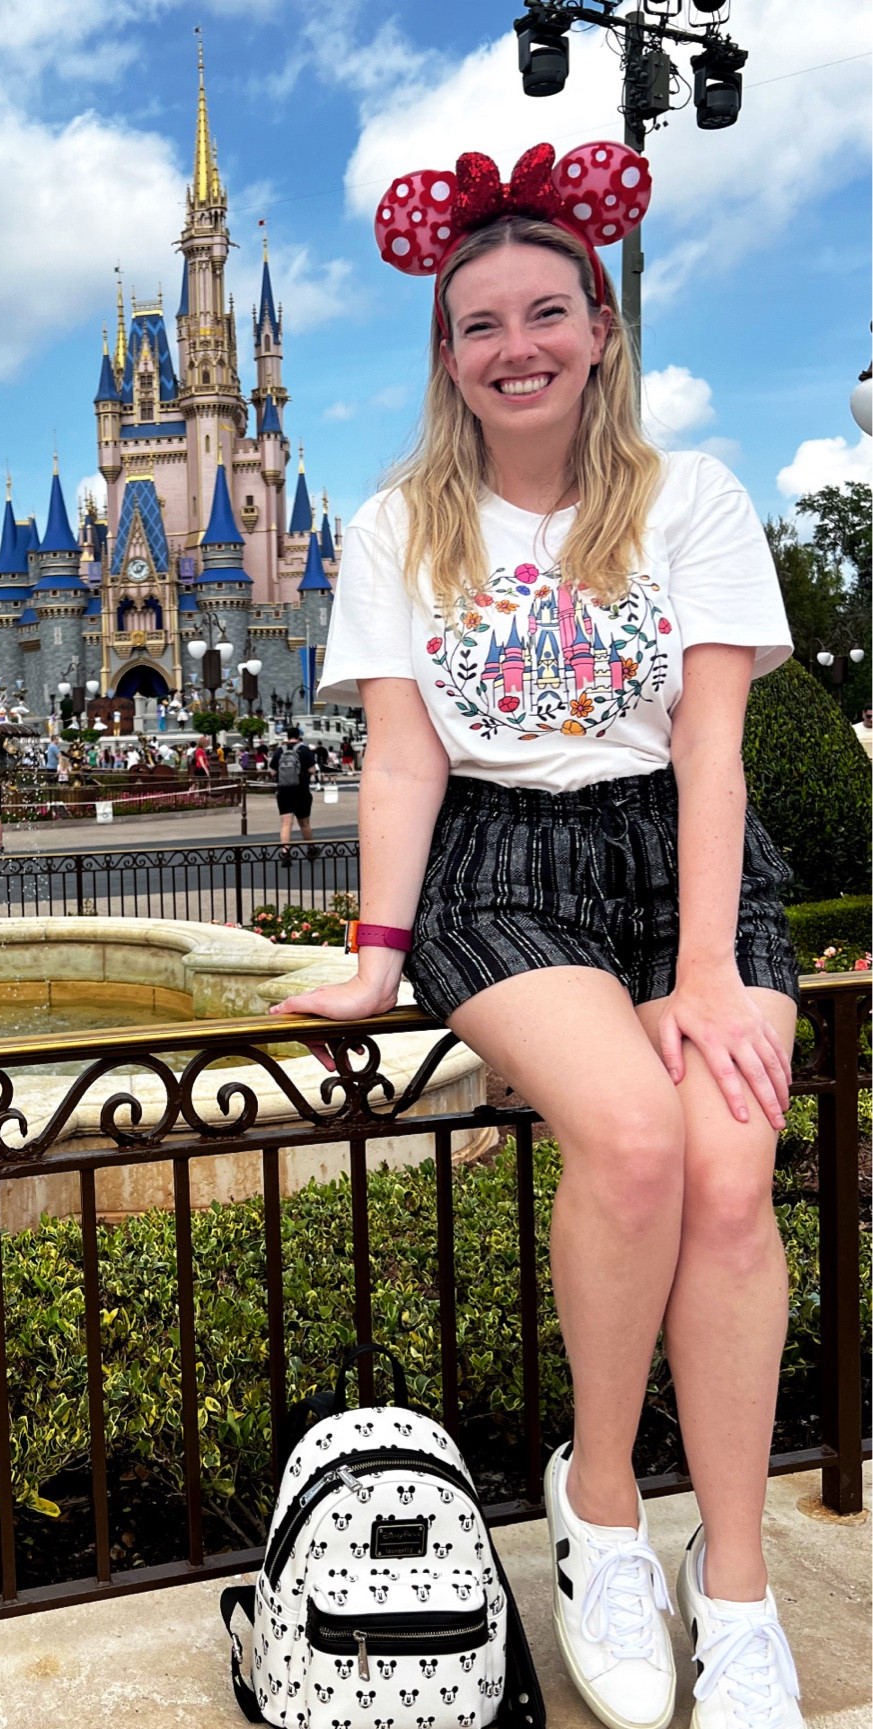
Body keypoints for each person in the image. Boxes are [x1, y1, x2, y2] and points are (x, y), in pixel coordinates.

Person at [272, 140, 805, 1729]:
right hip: (502, 870)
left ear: (598, 328)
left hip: (683, 861)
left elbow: (710, 747)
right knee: (636, 1141)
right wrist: (376, 947)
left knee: (727, 1172)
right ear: (445, 355)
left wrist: (706, 964)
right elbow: (404, 752)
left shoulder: (688, 496)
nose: (515, 347)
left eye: (544, 314)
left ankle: (741, 1592)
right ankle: (598, 1511)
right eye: (478, 322)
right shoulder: (395, 527)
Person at [271, 725, 318, 866]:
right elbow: (313, 770)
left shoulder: (280, 751)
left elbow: (272, 772)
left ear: (287, 736)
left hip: (284, 791)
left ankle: (285, 853)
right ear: (299, 736)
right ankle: (310, 849)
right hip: (301, 791)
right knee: (304, 823)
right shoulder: (304, 751)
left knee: (286, 823)